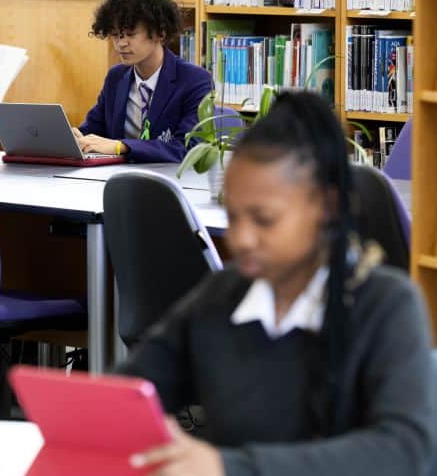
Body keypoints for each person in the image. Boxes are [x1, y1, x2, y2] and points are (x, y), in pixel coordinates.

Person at [118, 90, 435, 475]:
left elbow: (404, 451)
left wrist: (228, 467)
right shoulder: (224, 294)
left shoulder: (386, 303)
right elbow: (132, 390)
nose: (242, 239)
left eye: (264, 219)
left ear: (326, 207)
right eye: (234, 218)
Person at [73, 0, 212, 164]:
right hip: (117, 178)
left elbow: (188, 149)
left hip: (168, 181)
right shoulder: (116, 77)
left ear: (160, 32)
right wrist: (77, 138)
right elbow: (93, 130)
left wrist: (121, 147)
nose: (121, 44)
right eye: (116, 35)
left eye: (130, 34)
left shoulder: (195, 80)